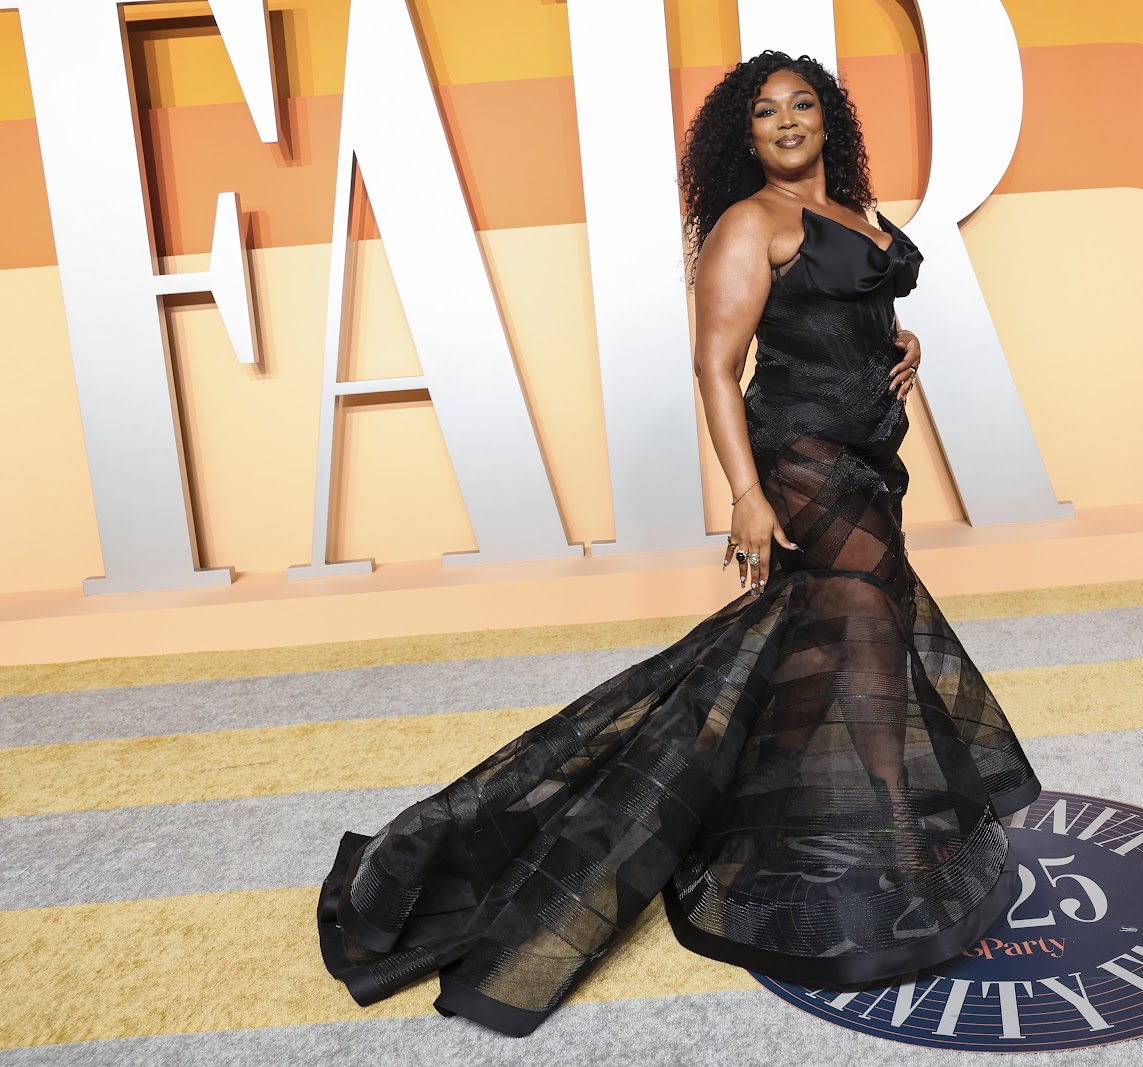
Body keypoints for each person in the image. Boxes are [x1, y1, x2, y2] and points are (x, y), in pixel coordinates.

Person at [316, 50, 1041, 1038]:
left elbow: (855, 308)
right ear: (743, 138)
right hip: (800, 456)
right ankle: (893, 837)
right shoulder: (753, 223)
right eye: (764, 112)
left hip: (870, 453)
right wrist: (744, 493)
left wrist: (898, 343)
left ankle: (772, 809)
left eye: (801, 103)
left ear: (828, 117)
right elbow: (714, 363)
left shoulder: (857, 214)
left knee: (817, 633)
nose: (785, 122)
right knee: (871, 620)